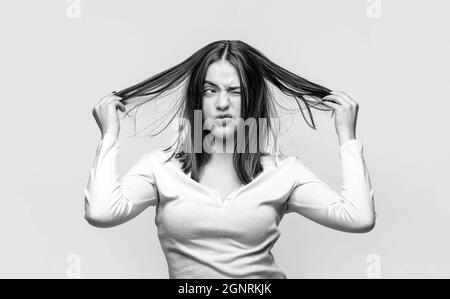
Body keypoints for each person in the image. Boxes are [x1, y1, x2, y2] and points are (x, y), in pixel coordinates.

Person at [84, 40, 376, 279]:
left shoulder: (283, 171)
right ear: (198, 98)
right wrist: (109, 135)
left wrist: (347, 137)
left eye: (235, 92)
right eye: (211, 91)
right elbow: (101, 213)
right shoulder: (161, 168)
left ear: (252, 100)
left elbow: (359, 218)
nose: (222, 103)